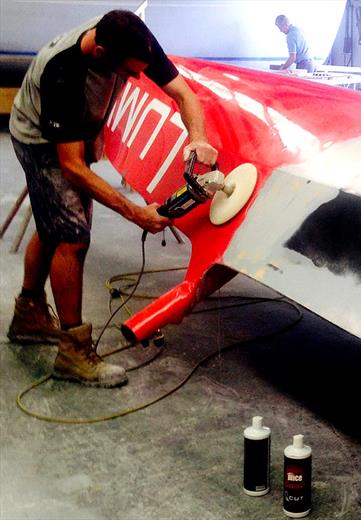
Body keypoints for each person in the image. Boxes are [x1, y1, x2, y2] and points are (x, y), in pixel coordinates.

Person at [7, 10, 218, 387]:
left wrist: (198, 137)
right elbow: (70, 166)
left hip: (75, 127)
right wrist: (136, 213)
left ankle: (29, 316)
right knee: (72, 235)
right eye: (130, 72)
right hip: (38, 137)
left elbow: (183, 93)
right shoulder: (64, 71)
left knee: (52, 220)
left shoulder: (134, 40)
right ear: (102, 53)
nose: (138, 77)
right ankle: (73, 353)